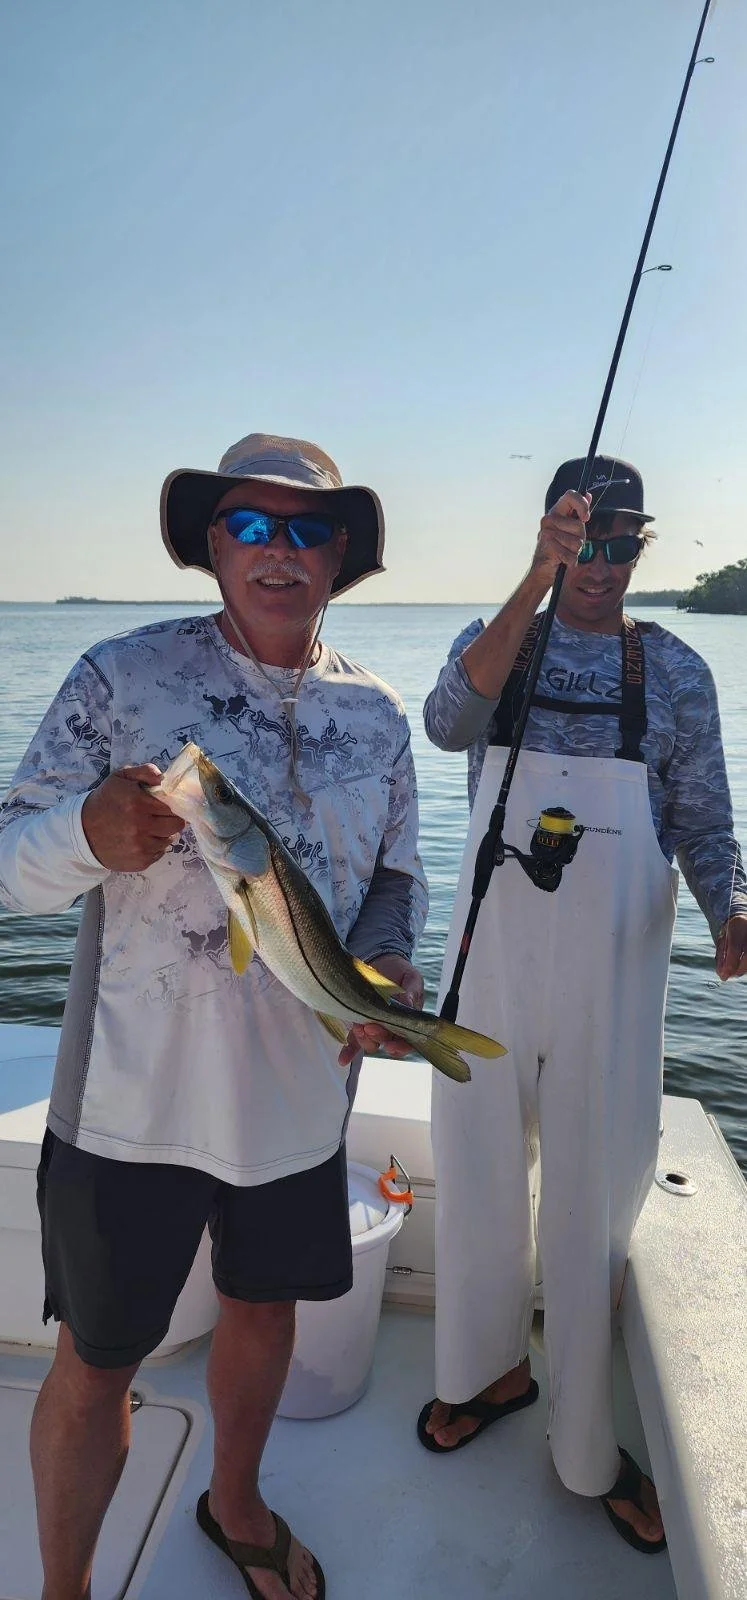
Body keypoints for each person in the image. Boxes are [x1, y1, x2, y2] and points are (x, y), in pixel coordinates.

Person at [0, 432, 428, 1600]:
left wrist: (387, 963)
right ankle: (65, 1588)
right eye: (248, 524)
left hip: (298, 1103)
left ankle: (234, 1501)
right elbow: (6, 858)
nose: (277, 550)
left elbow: (395, 875)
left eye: (305, 528)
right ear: (209, 543)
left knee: (264, 1307)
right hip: (131, 1109)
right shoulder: (120, 676)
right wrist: (84, 833)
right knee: (96, 1361)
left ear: (341, 553)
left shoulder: (381, 715)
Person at [418, 455, 747, 1553]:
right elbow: (447, 724)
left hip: (617, 970)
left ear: (643, 548)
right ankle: (487, 1372)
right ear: (551, 531)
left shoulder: (681, 671)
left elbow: (703, 819)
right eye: (579, 536)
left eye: (618, 542)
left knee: (593, 1202)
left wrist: (732, 909)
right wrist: (532, 579)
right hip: (492, 964)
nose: (597, 563)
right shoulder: (499, 636)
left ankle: (587, 1441)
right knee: (473, 1178)